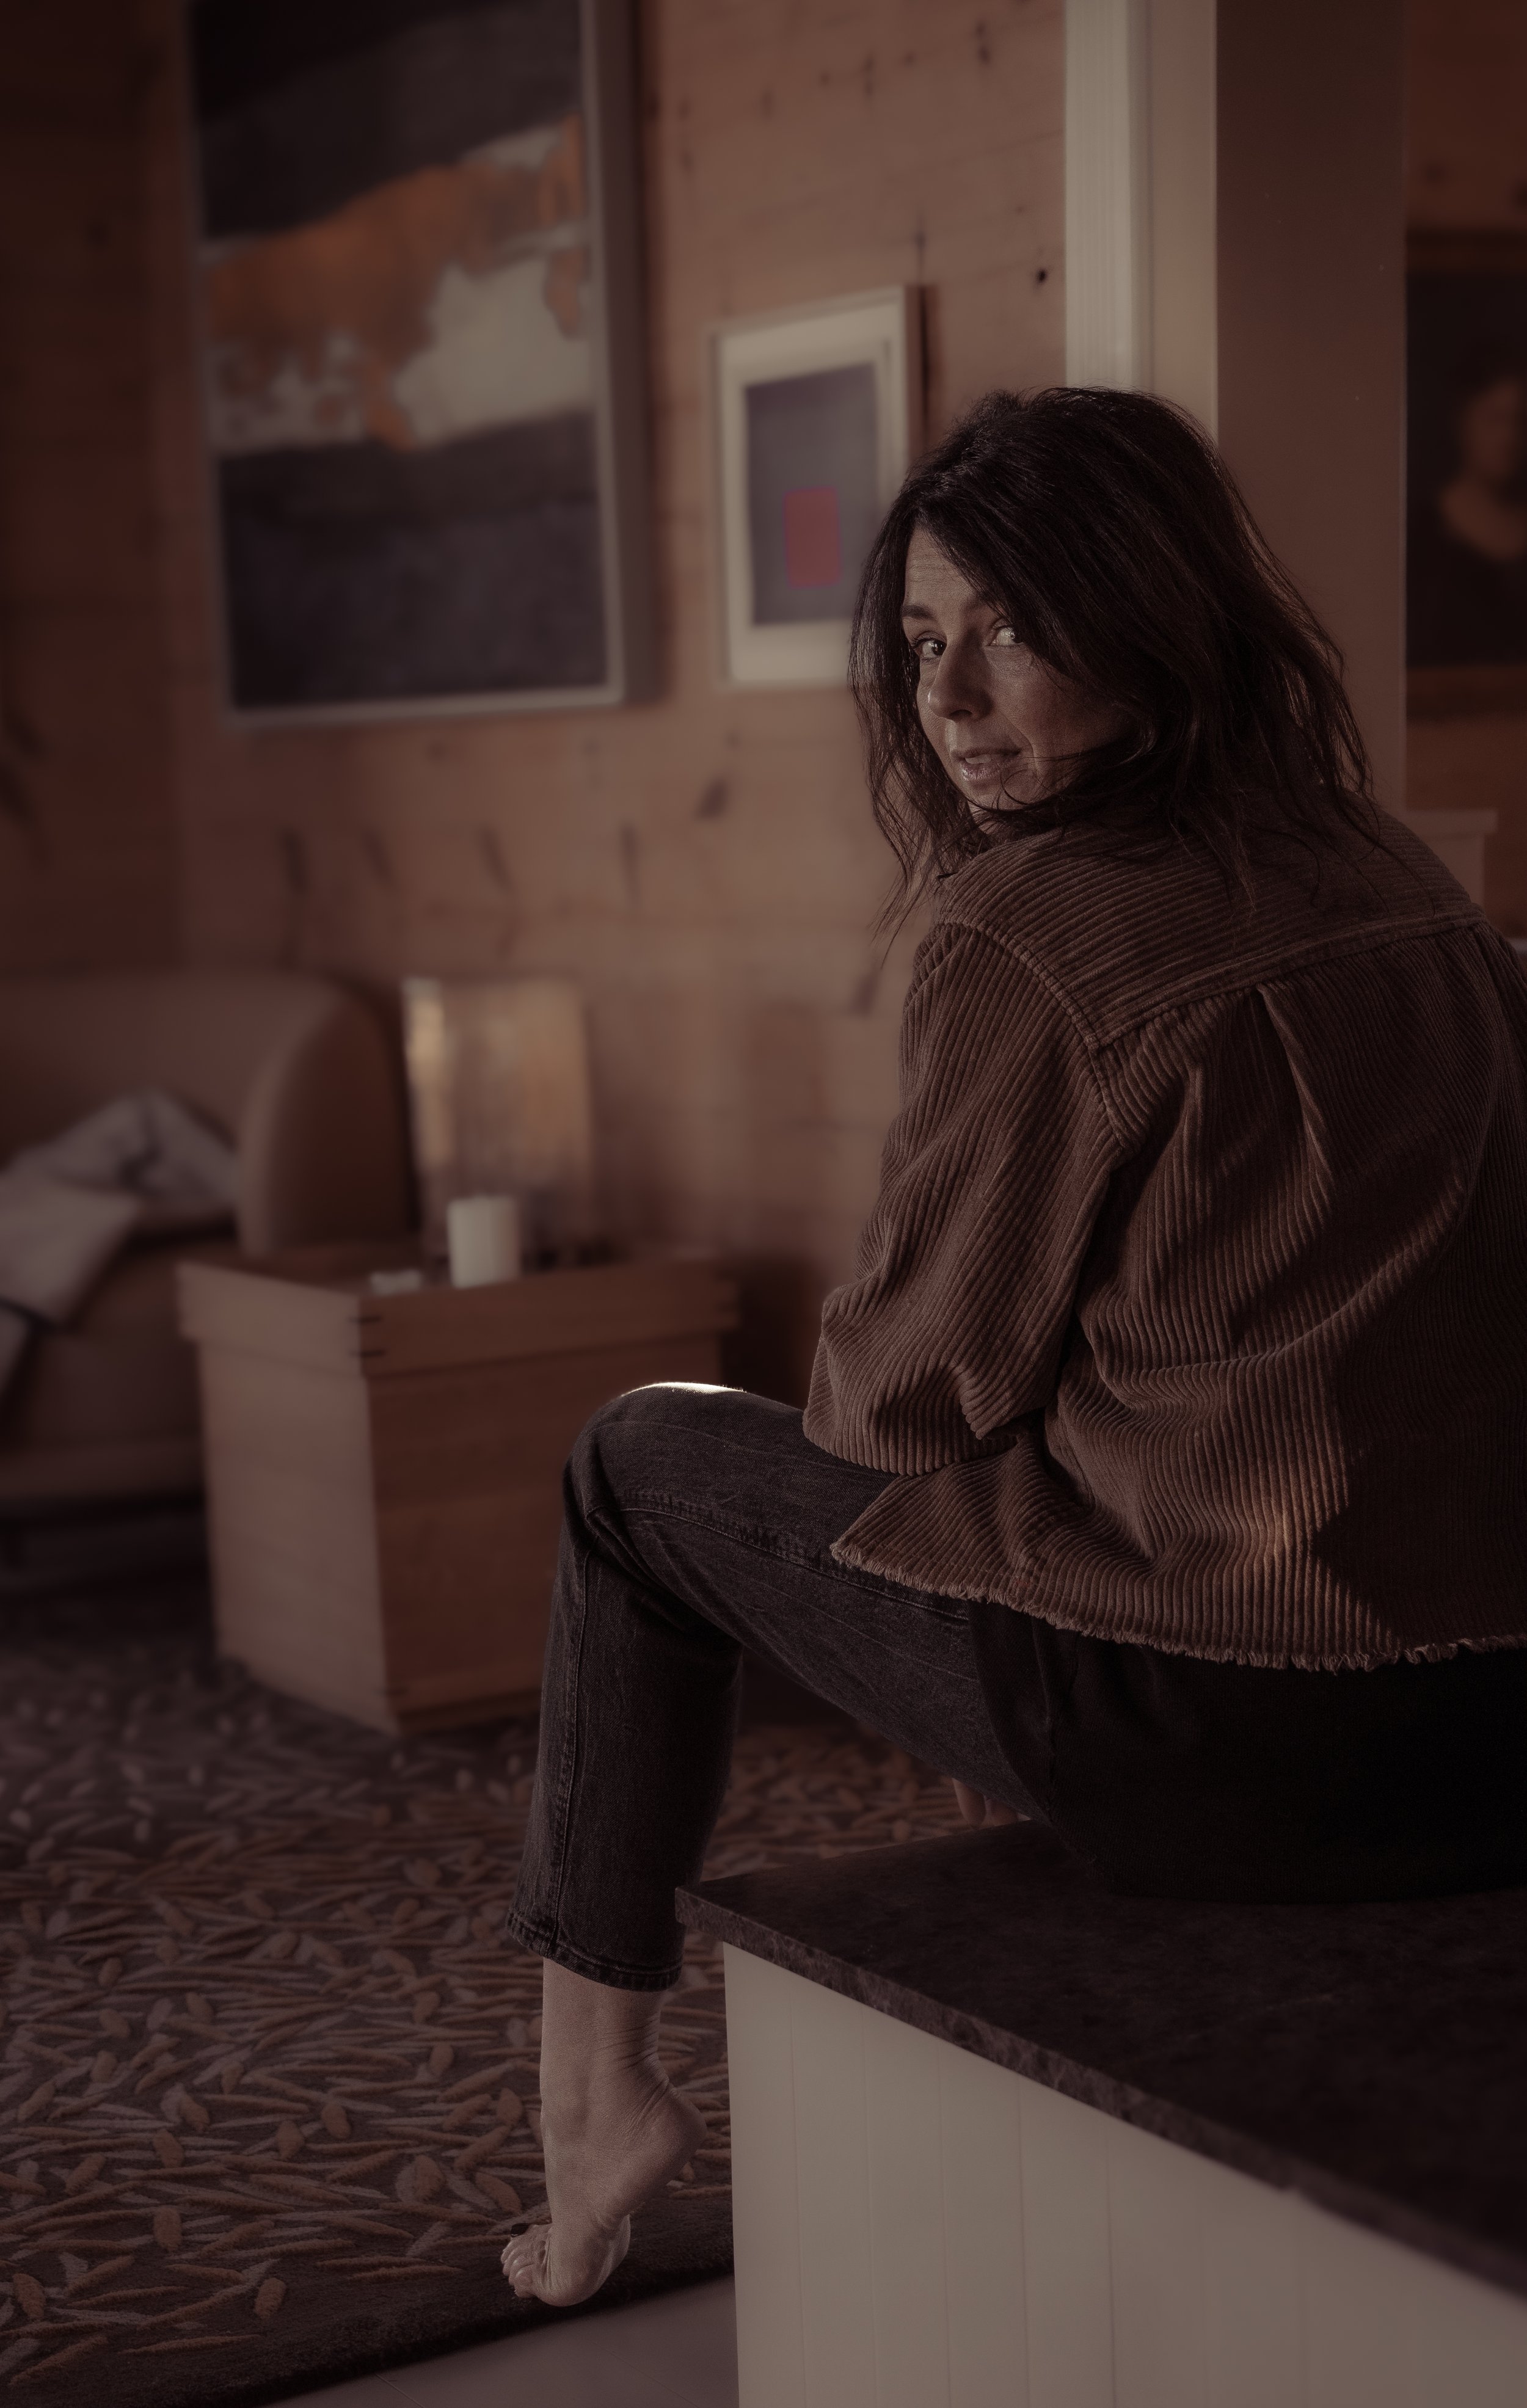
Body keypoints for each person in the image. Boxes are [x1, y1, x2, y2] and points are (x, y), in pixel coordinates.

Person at [501, 387, 1527, 2308]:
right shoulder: (1394, 868)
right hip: (1489, 1729)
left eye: (1009, 628)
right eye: (918, 639)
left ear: (1146, 620)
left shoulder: (1031, 931)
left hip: (1227, 1747)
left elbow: (896, 1399)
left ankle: (587, 2098)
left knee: (633, 1462)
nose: (949, 700)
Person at [1409, 347, 1527, 666]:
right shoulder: (1424, 533)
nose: (1509, 438)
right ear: (1462, 422)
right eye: (1494, 419)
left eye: (1519, 421)